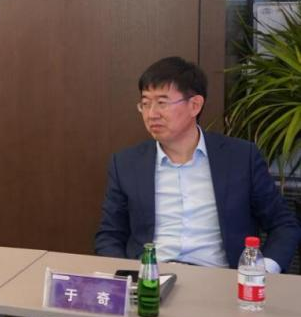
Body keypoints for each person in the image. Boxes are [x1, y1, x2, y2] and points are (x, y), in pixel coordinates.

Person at [95, 56, 300, 272]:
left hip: (220, 279)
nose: (151, 114)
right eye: (145, 104)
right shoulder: (126, 163)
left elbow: (283, 224)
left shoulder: (241, 158)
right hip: (150, 278)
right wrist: (125, 277)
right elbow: (110, 235)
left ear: (195, 105)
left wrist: (262, 272)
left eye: (162, 103)